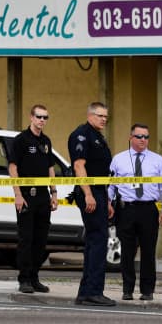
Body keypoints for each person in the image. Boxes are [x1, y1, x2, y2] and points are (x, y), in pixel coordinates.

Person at [108, 123, 162, 301]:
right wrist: (108, 202)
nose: (143, 140)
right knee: (127, 252)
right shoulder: (119, 159)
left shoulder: (157, 160)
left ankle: (147, 290)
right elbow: (111, 185)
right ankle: (127, 289)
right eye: (139, 136)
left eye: (146, 137)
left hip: (148, 209)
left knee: (148, 251)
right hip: (126, 209)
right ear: (131, 138)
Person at [68, 102, 115, 306]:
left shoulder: (98, 137)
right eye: (100, 115)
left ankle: (86, 291)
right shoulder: (81, 134)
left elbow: (102, 172)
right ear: (90, 115)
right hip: (90, 192)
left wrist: (107, 199)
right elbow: (79, 166)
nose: (104, 119)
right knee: (98, 239)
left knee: (95, 240)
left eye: (106, 116)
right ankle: (93, 291)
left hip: (99, 192)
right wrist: (88, 194)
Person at [8, 104, 59, 294]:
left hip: (43, 197)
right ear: (31, 117)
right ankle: (24, 279)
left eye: (45, 117)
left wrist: (54, 193)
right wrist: (18, 195)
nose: (42, 121)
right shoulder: (21, 140)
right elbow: (13, 168)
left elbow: (50, 168)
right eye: (39, 117)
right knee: (26, 239)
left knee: (41, 240)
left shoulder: (46, 141)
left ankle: (35, 276)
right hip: (27, 196)